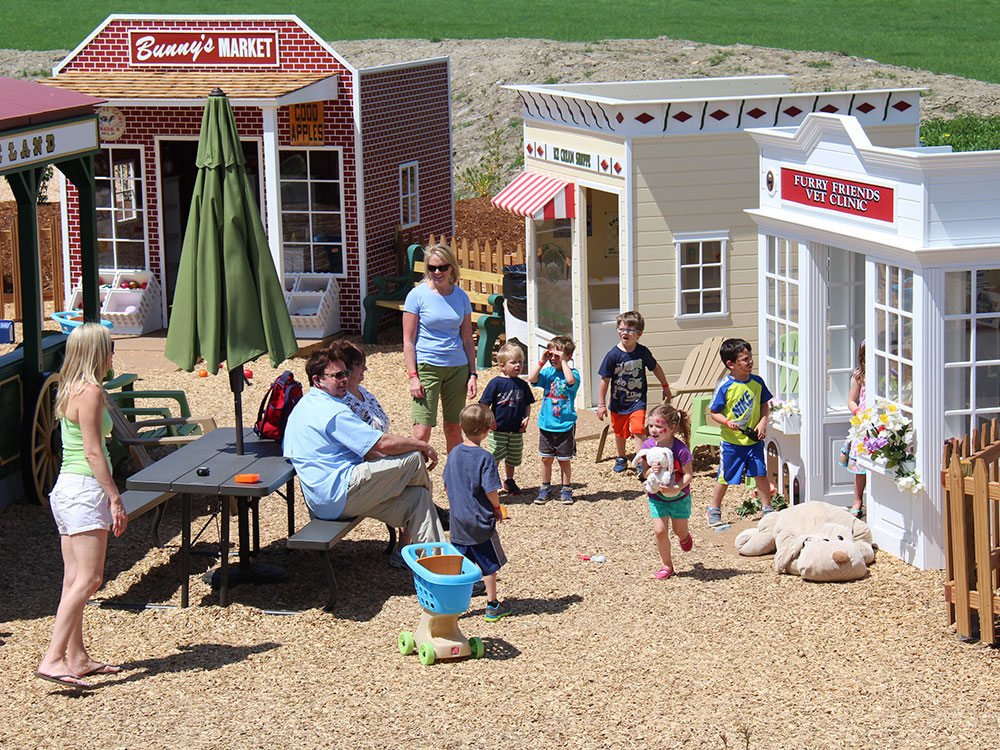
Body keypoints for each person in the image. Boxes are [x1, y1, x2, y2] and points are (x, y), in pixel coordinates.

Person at [283, 344, 446, 564]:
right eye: (337, 375)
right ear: (317, 380)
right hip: (338, 493)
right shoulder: (330, 411)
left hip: (331, 497)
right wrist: (422, 446)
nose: (344, 379)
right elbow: (381, 444)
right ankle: (435, 523)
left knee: (418, 498)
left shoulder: (307, 404)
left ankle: (439, 567)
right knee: (414, 460)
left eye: (345, 373)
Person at [36, 323, 127, 690]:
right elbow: (93, 451)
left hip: (66, 489)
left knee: (73, 580)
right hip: (85, 489)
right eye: (109, 347)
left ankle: (77, 657)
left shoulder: (69, 388)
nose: (113, 354)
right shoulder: (90, 392)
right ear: (96, 352)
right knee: (90, 579)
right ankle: (53, 658)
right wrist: (114, 496)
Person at [403, 244, 477, 455]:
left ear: (451, 267)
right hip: (427, 366)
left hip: (457, 368)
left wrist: (473, 374)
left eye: (442, 267)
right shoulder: (416, 295)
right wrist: (413, 376)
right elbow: (408, 341)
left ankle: (453, 474)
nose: (437, 272)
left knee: (454, 429)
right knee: (421, 431)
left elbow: (467, 340)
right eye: (432, 267)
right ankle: (414, 474)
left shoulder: (461, 296)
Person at [443, 404, 511, 621]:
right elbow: (490, 490)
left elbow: (446, 483)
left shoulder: (454, 453)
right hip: (479, 521)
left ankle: (451, 607)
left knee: (458, 565)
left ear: (462, 426)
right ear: (487, 430)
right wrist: (497, 508)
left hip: (458, 520)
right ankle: (492, 604)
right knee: (488, 565)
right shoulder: (485, 458)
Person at [705, 338, 774, 526]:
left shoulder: (757, 382)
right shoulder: (725, 386)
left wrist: (763, 423)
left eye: (750, 357)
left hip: (754, 441)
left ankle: (768, 509)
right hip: (732, 443)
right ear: (731, 364)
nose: (750, 362)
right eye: (744, 359)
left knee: (760, 473)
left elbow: (764, 404)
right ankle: (714, 509)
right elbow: (714, 412)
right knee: (725, 476)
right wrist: (727, 422)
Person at [596, 310, 671, 475]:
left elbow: (655, 368)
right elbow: (604, 380)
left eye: (630, 330)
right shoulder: (613, 355)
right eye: (622, 329)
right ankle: (621, 457)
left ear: (639, 334)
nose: (625, 333)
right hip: (618, 402)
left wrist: (665, 386)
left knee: (638, 429)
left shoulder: (642, 352)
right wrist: (601, 404)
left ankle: (640, 460)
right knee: (619, 432)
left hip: (637, 401)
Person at [638, 404, 695, 580]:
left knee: (679, 531)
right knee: (660, 531)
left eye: (658, 426)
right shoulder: (647, 446)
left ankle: (684, 537)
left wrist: (676, 488)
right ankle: (667, 565)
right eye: (650, 426)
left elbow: (688, 474)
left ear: (671, 428)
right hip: (657, 497)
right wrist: (651, 471)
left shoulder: (680, 449)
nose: (653, 430)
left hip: (679, 498)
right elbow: (644, 472)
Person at [528, 335, 580, 505]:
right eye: (552, 355)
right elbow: (532, 378)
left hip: (565, 425)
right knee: (546, 458)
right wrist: (542, 361)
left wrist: (563, 361)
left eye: (557, 356)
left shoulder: (573, 374)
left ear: (568, 357)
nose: (553, 359)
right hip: (546, 424)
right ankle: (545, 488)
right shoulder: (548, 373)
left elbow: (570, 381)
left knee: (564, 460)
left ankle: (566, 489)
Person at [479, 342, 534, 495]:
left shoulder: (522, 384)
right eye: (513, 362)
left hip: (516, 429)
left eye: (520, 362)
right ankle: (489, 481)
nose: (518, 365)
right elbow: (484, 404)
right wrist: (490, 420)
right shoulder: (496, 383)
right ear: (502, 366)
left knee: (513, 456)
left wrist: (527, 418)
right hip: (499, 428)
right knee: (495, 454)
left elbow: (528, 404)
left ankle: (509, 480)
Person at [339, 341, 390, 433]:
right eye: (360, 364)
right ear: (346, 368)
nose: (365, 368)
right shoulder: (342, 401)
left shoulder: (362, 391)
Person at [843, 340, 867, 518]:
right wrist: (858, 412)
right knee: (860, 467)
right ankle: (857, 500)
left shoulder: (890, 372)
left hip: (883, 421)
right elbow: (851, 400)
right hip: (864, 424)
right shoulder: (860, 375)